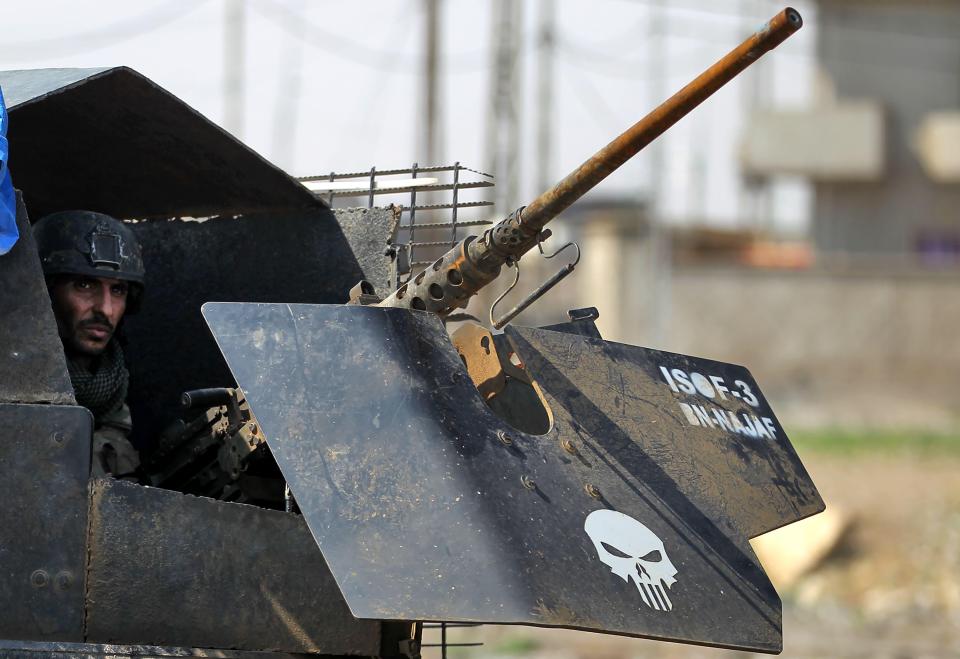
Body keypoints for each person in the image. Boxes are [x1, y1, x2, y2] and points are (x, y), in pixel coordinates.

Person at [33, 210, 145, 480]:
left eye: (117, 290)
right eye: (84, 285)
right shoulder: (15, 378)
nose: (105, 309)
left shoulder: (111, 382)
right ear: (46, 292)